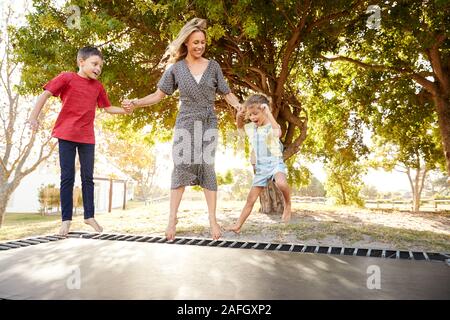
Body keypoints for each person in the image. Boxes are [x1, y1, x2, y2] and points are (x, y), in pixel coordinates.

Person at [122, 18, 241, 241]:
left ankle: (212, 220)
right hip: (185, 123)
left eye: (203, 43)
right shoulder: (176, 69)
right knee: (181, 168)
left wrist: (238, 106)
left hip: (208, 122)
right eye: (195, 42)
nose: (199, 46)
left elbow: (226, 92)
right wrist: (136, 102)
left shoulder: (213, 66)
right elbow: (158, 95)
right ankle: (171, 219)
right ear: (186, 43)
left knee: (207, 167)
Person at [28, 46, 130, 236]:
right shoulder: (67, 77)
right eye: (94, 64)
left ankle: (89, 216)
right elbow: (45, 94)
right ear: (81, 62)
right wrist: (34, 117)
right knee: (67, 177)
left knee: (88, 178)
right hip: (66, 134)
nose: (98, 68)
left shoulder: (98, 87)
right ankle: (66, 221)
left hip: (87, 137)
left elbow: (107, 108)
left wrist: (126, 110)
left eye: (100, 66)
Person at [228, 94, 291, 233]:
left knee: (281, 183)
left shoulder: (271, 125)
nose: (253, 117)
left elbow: (278, 133)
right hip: (261, 168)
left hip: (275, 163)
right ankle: (238, 226)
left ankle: (287, 204)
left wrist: (269, 113)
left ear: (264, 110)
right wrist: (239, 117)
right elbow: (240, 129)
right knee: (250, 199)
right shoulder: (251, 128)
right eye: (250, 115)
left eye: (256, 114)